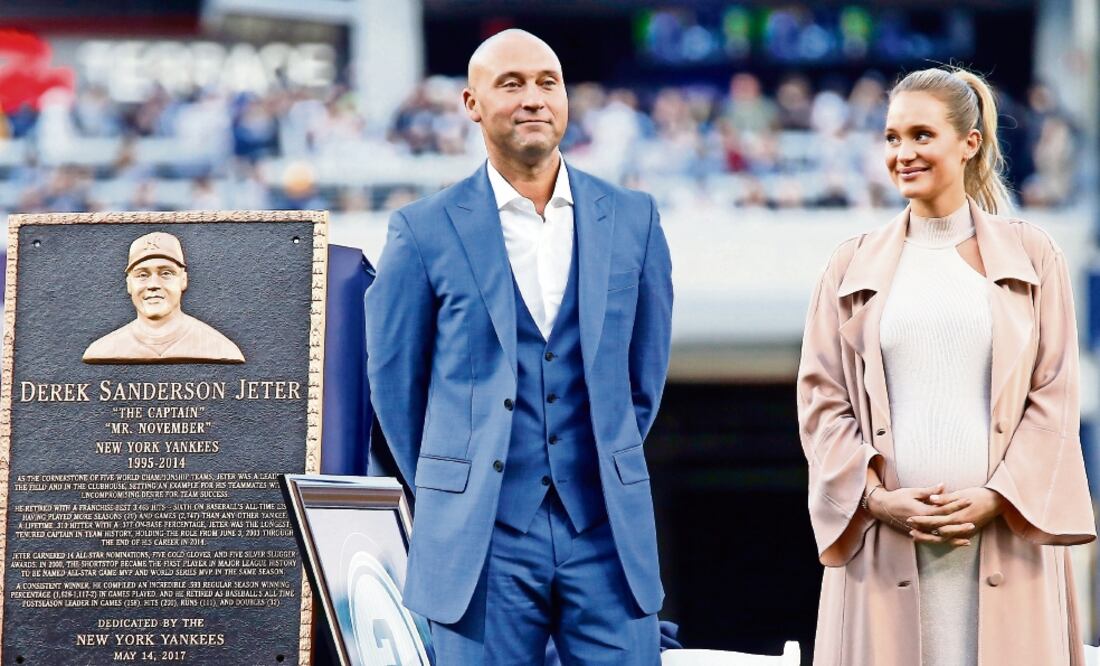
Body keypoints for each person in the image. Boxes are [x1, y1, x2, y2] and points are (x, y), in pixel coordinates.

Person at [366, 29, 672, 665]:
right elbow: (395, 389)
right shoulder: (421, 231)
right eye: (511, 84)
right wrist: (457, 479)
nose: (533, 98)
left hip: (606, 531)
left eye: (547, 83)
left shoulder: (634, 218)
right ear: (472, 104)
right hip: (480, 541)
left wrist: (599, 458)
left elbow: (643, 380)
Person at [797, 66, 1095, 666]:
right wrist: (875, 499)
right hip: (883, 549)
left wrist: (998, 496)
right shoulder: (849, 264)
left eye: (921, 135)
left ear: (970, 143)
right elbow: (822, 403)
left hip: (1009, 542)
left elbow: (1054, 396)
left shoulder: (1035, 254)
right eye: (892, 137)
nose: (902, 153)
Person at [83, 231, 245, 364]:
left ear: (183, 280)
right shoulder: (102, 350)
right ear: (129, 284)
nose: (153, 284)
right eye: (142, 275)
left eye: (166, 273)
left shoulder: (219, 348)